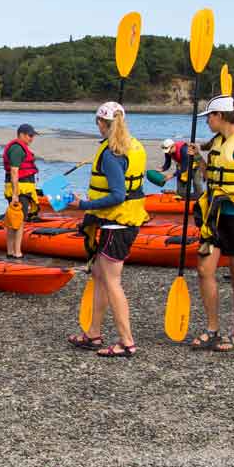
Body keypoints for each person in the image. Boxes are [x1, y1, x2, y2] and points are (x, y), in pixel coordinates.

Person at [182, 95, 234, 353]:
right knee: (205, 270)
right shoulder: (218, 142)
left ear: (221, 117)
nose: (207, 121)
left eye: (210, 116)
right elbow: (211, 177)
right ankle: (212, 329)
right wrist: (199, 160)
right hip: (215, 217)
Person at [65, 101, 148, 358]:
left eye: (97, 123)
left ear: (102, 123)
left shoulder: (112, 154)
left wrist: (84, 205)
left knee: (112, 282)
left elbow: (118, 195)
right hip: (121, 221)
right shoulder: (133, 144)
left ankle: (127, 342)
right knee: (100, 276)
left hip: (117, 223)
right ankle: (93, 333)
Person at [3, 124, 39, 258]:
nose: (32, 138)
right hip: (20, 190)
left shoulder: (18, 148)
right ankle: (17, 252)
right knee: (19, 220)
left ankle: (11, 251)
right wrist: (15, 195)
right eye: (30, 135)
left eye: (33, 136)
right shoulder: (17, 149)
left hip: (21, 189)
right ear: (21, 134)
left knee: (14, 220)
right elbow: (14, 171)